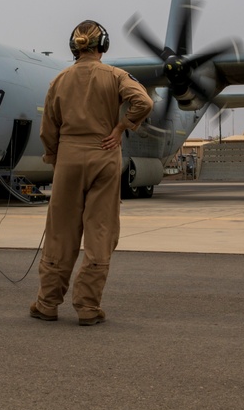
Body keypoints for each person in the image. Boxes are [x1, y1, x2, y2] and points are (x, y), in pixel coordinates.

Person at [30, 20, 153, 326]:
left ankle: (47, 303)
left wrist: (56, 158)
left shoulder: (59, 80)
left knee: (60, 232)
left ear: (74, 47)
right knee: (100, 230)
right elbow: (143, 102)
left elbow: (48, 128)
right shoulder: (115, 75)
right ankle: (87, 307)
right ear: (103, 45)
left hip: (68, 157)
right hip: (105, 154)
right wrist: (121, 127)